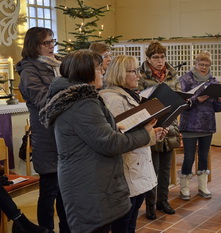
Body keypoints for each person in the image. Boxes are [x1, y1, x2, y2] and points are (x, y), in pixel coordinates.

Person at [38, 50, 155, 233]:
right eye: (99, 68)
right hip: (88, 184)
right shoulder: (82, 103)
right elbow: (109, 143)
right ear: (86, 72)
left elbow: (97, 134)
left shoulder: (80, 99)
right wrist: (145, 133)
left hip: (91, 179)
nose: (103, 72)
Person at [99, 55, 168, 233]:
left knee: (133, 215)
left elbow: (138, 130)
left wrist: (155, 133)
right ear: (121, 74)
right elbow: (119, 137)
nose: (138, 75)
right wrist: (147, 133)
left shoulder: (129, 95)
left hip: (137, 163)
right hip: (127, 166)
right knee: (124, 221)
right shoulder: (113, 100)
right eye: (133, 71)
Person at [17, 27, 70, 233]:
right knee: (49, 192)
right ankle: (45, 230)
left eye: (52, 41)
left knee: (64, 192)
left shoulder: (56, 65)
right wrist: (66, 89)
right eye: (46, 43)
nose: (51, 46)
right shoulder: (29, 71)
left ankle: (66, 229)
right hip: (46, 137)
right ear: (34, 45)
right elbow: (43, 101)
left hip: (63, 135)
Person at [138, 41, 180, 220]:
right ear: (148, 58)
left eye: (162, 57)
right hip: (152, 124)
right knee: (152, 169)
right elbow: (139, 102)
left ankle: (163, 200)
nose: (160, 61)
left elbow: (178, 95)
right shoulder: (141, 76)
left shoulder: (171, 74)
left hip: (170, 123)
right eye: (155, 57)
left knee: (165, 168)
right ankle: (151, 205)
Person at [178, 51, 221, 200]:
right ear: (195, 64)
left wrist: (220, 100)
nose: (203, 67)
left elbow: (217, 109)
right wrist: (197, 100)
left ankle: (202, 186)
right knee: (189, 157)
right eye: (201, 64)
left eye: (206, 65)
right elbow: (182, 104)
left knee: (204, 156)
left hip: (207, 124)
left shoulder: (214, 82)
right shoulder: (185, 79)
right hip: (190, 125)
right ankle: (184, 188)